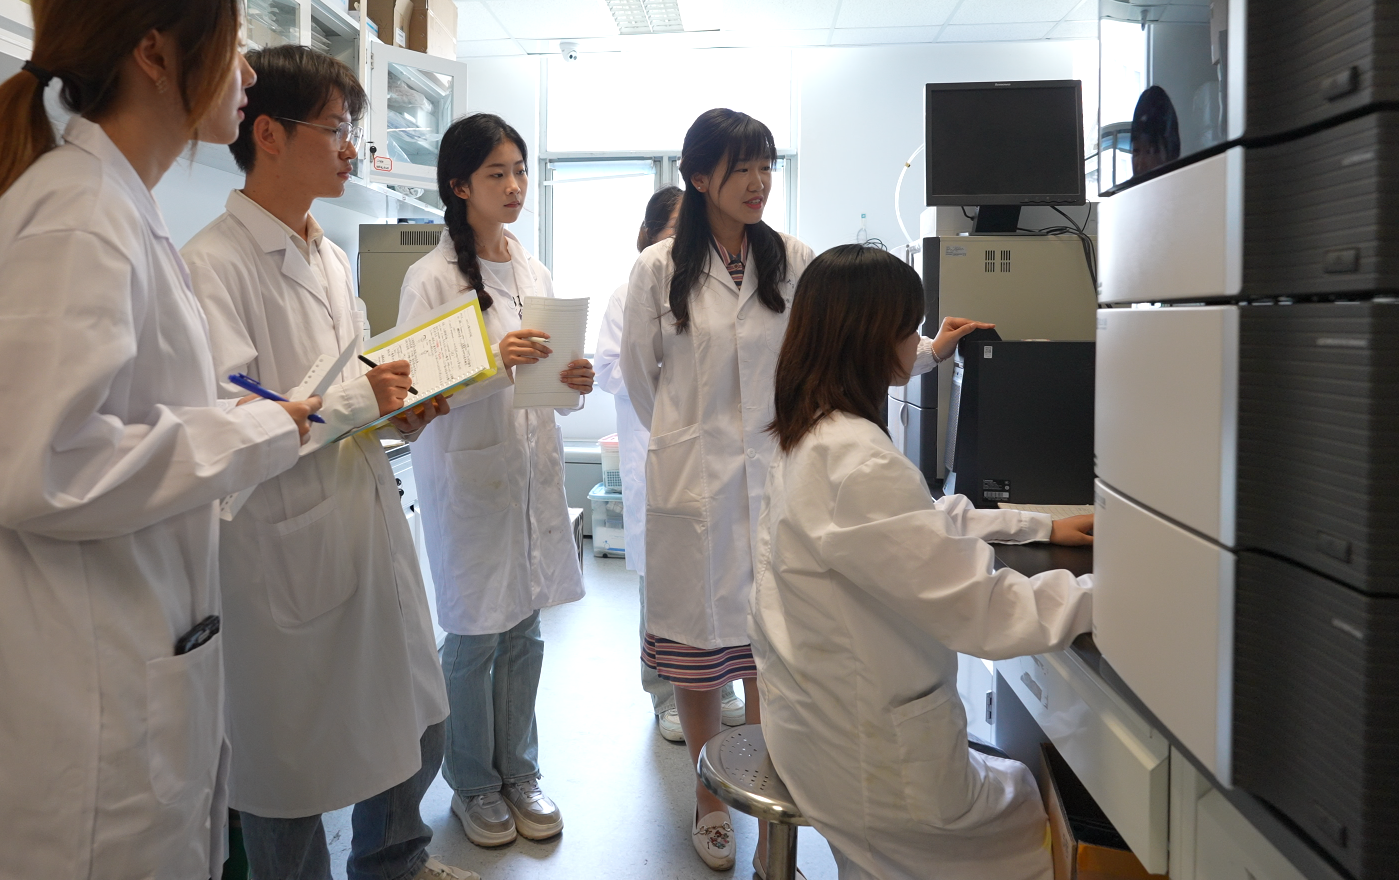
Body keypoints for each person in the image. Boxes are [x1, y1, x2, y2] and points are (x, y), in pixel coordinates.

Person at [0, 0, 317, 880]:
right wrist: (254, 432)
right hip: (70, 753)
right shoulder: (79, 215)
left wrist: (244, 424)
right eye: (233, 43)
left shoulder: (115, 206)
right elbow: (44, 466)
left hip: (117, 692)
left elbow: (122, 427)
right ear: (156, 54)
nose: (249, 72)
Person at [624, 109, 976, 871]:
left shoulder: (793, 258)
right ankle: (709, 800)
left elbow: (840, 345)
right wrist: (687, 443)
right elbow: (638, 376)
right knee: (697, 649)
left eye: (766, 166)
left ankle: (772, 802)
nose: (758, 182)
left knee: (770, 649)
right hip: (693, 484)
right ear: (699, 176)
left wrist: (930, 351)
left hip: (777, 469)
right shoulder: (657, 269)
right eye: (742, 168)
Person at [180, 45, 474, 880]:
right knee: (289, 767)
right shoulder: (211, 265)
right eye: (337, 129)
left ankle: (392, 864)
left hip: (357, 522)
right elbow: (232, 424)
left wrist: (399, 408)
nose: (353, 149)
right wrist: (356, 402)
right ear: (269, 134)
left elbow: (351, 383)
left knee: (416, 721)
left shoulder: (331, 254)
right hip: (279, 550)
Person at [754, 245, 1095, 880]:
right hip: (872, 762)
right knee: (1028, 824)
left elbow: (913, 525)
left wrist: (1038, 524)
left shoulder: (812, 431)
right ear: (868, 340)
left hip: (813, 723)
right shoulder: (856, 461)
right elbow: (983, 612)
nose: (919, 343)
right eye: (910, 328)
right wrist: (1111, 594)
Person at [396, 113, 594, 849]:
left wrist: (572, 382)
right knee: (475, 634)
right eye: (496, 173)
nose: (514, 186)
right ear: (460, 185)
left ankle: (521, 771)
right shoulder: (432, 278)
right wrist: (494, 361)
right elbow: (417, 390)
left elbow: (547, 386)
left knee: (525, 632)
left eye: (520, 171)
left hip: (528, 473)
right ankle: (474, 783)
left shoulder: (531, 269)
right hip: (469, 479)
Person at [593, 189, 749, 743]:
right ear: (651, 235)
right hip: (659, 448)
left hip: (721, 458)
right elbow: (613, 366)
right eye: (676, 229)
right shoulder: (631, 290)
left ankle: (721, 689)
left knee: (725, 573)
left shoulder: (727, 285)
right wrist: (677, 390)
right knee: (666, 580)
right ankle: (664, 694)